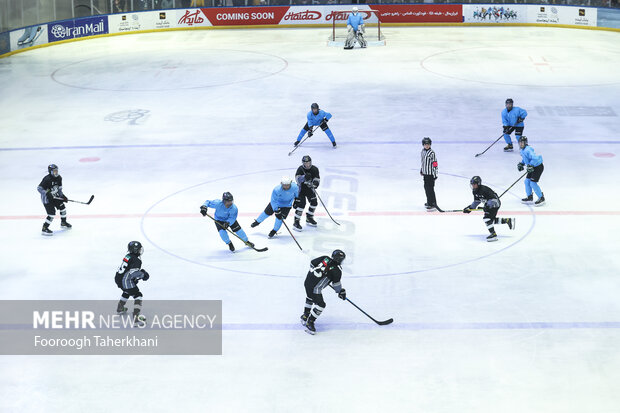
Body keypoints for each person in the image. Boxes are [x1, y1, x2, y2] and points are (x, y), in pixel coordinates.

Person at [301, 250, 347, 335]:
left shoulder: (325, 258)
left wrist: (321, 274)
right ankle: (310, 322)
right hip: (315, 288)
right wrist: (341, 292)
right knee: (321, 305)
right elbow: (336, 285)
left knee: (310, 297)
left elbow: (312, 263)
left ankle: (305, 315)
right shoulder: (337, 271)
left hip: (307, 282)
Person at [463, 176, 515, 242]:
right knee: (491, 220)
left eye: (474, 184)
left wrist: (487, 206)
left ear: (478, 184)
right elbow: (476, 201)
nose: (473, 186)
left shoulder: (484, 190)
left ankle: (493, 234)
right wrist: (470, 208)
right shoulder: (474, 191)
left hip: (495, 204)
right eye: (472, 184)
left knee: (486, 219)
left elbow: (493, 199)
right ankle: (507, 220)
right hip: (489, 205)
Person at [115, 241, 149, 322]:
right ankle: (136, 317)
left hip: (118, 278)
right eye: (139, 249)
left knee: (127, 291)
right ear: (136, 250)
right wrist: (143, 275)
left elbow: (127, 270)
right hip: (125, 281)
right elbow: (134, 273)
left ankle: (120, 308)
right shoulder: (137, 260)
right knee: (138, 295)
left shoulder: (128, 256)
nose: (141, 250)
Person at [37, 164, 71, 236]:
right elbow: (39, 188)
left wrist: (63, 197)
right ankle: (44, 228)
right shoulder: (47, 179)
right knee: (51, 214)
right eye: (54, 171)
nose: (56, 172)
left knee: (63, 208)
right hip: (47, 199)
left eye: (56, 171)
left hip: (55, 197)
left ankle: (63, 223)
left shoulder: (59, 178)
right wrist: (46, 193)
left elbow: (59, 190)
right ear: (50, 172)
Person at [293, 155, 320, 231]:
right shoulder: (300, 169)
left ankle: (309, 217)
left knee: (314, 202)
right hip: (301, 190)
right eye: (305, 163)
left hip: (310, 189)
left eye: (308, 163)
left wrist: (315, 184)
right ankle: (296, 222)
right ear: (303, 163)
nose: (307, 164)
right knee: (301, 205)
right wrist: (304, 177)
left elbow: (317, 178)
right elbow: (297, 180)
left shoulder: (314, 169)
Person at [517, 136, 545, 206]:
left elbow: (535, 158)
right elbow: (526, 158)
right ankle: (529, 197)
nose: (521, 144)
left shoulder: (528, 150)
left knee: (533, 183)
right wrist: (522, 163)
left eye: (522, 143)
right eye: (520, 143)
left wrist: (531, 165)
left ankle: (541, 198)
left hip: (537, 167)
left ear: (525, 143)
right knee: (527, 182)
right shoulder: (522, 150)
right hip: (532, 167)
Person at [420, 137, 438, 210]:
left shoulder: (432, 153)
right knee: (426, 188)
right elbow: (423, 162)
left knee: (430, 189)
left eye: (428, 144)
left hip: (430, 174)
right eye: (425, 144)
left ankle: (433, 203)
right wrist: (422, 170)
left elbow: (435, 163)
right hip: (425, 174)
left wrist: (435, 174)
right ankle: (429, 202)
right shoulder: (423, 151)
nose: (427, 146)